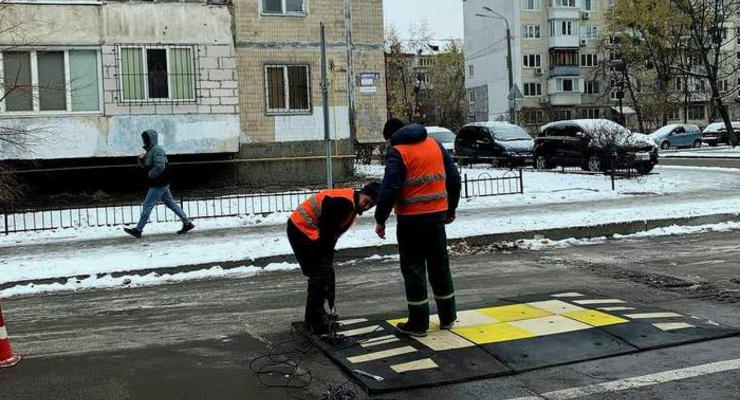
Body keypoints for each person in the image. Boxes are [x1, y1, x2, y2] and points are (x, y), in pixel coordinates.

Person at [374, 118, 461, 338]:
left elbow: (390, 187)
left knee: (414, 270)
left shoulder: (398, 152)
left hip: (410, 222)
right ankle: (448, 317)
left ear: (391, 136)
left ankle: (418, 323)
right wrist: (450, 209)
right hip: (436, 219)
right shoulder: (434, 144)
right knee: (440, 266)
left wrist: (380, 218)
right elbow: (454, 178)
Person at [288, 182, 380, 335]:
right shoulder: (344, 204)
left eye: (371, 205)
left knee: (322, 273)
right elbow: (327, 234)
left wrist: (328, 265)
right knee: (319, 274)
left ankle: (316, 316)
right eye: (367, 201)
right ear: (361, 193)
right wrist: (327, 265)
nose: (366, 206)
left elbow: (330, 237)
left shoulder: (351, 204)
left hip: (307, 231)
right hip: (302, 230)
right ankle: (315, 320)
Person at [124, 130, 194, 238]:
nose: (144, 141)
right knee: (170, 203)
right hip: (161, 182)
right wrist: (141, 159)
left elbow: (160, 166)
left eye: (145, 139)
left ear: (150, 139)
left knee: (147, 205)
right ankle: (187, 223)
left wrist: (151, 174)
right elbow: (147, 165)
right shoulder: (151, 150)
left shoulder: (157, 150)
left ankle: (138, 230)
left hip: (159, 183)